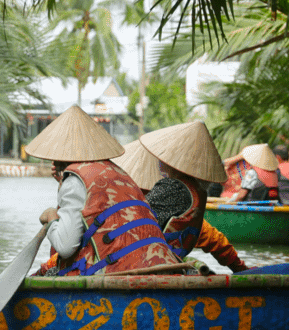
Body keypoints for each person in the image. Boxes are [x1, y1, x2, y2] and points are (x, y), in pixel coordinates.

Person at [27, 105, 182, 277]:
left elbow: (65, 246)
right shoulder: (118, 172)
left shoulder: (74, 181)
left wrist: (51, 217)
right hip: (157, 262)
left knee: (48, 274)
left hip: (118, 272)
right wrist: (63, 184)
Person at [114, 132, 250, 273]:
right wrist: (240, 269)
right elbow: (214, 239)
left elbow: (130, 221)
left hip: (147, 267)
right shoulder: (196, 192)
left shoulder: (173, 188)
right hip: (163, 265)